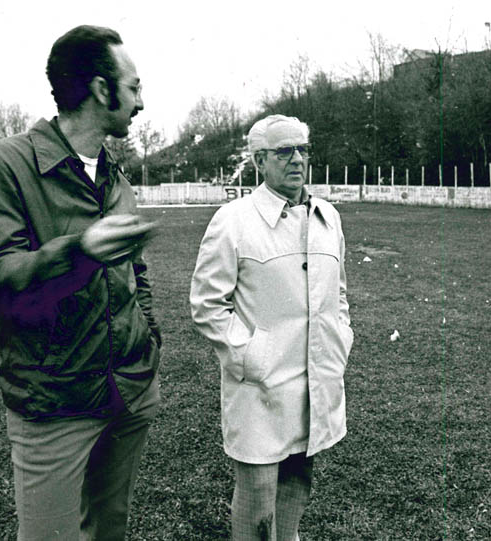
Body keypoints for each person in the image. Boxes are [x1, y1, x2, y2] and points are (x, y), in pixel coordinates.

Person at [0, 25, 162, 540]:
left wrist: (149, 340)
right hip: (54, 404)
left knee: (109, 531)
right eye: (135, 87)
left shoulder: (113, 174)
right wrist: (79, 252)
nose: (141, 101)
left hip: (130, 391)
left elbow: (134, 271)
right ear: (101, 90)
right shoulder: (4, 164)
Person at [190, 114, 354, 541]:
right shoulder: (233, 220)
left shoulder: (328, 218)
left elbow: (338, 294)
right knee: (258, 498)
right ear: (260, 160)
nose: (297, 159)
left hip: (313, 381)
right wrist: (251, 355)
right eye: (285, 151)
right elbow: (208, 304)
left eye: (303, 149)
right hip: (260, 389)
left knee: (298, 484)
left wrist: (340, 340)